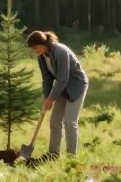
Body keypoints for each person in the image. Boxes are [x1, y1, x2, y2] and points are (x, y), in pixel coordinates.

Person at [22, 30, 89, 161]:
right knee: (54, 121)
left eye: (35, 47)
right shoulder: (42, 57)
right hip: (61, 88)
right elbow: (47, 78)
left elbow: (63, 79)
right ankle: (53, 154)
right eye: (32, 49)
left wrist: (51, 98)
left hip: (76, 86)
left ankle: (71, 157)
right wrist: (46, 97)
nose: (34, 51)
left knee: (70, 121)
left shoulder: (60, 51)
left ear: (42, 43)